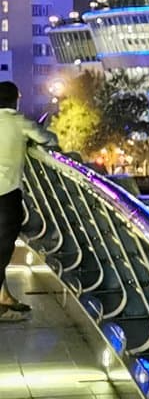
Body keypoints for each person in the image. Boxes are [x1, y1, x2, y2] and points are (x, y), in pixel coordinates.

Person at [0, 81, 57, 323]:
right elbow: (48, 139)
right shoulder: (18, 122)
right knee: (3, 249)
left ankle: (4, 297)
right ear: (15, 100)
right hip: (6, 194)